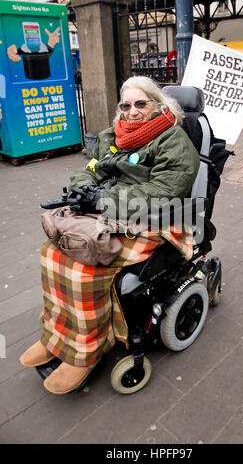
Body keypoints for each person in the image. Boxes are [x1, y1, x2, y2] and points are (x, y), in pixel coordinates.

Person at [19, 76, 200, 394]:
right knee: (52, 253)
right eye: (125, 105)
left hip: (156, 221)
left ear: (157, 104)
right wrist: (82, 188)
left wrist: (102, 200)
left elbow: (162, 192)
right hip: (108, 216)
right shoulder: (115, 136)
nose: (132, 112)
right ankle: (57, 337)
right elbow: (91, 167)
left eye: (140, 104)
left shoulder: (172, 139)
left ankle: (86, 352)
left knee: (84, 269)